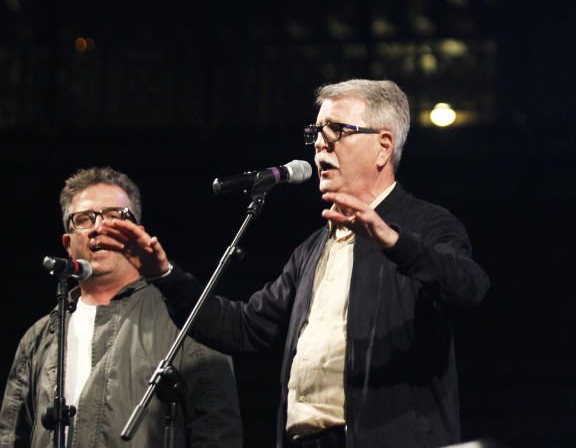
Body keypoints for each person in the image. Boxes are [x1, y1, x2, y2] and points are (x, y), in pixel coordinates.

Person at [99, 79, 490, 448]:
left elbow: (469, 287)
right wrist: (164, 274)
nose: (319, 145)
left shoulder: (426, 224)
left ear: (383, 146)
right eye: (315, 133)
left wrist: (392, 240)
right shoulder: (312, 250)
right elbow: (242, 328)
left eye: (336, 130)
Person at [0, 167, 243, 447]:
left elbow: (217, 431)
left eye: (115, 216)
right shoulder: (38, 338)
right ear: (67, 243)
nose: (99, 227)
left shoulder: (188, 321)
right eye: (84, 219)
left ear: (137, 233)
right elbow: (11, 437)